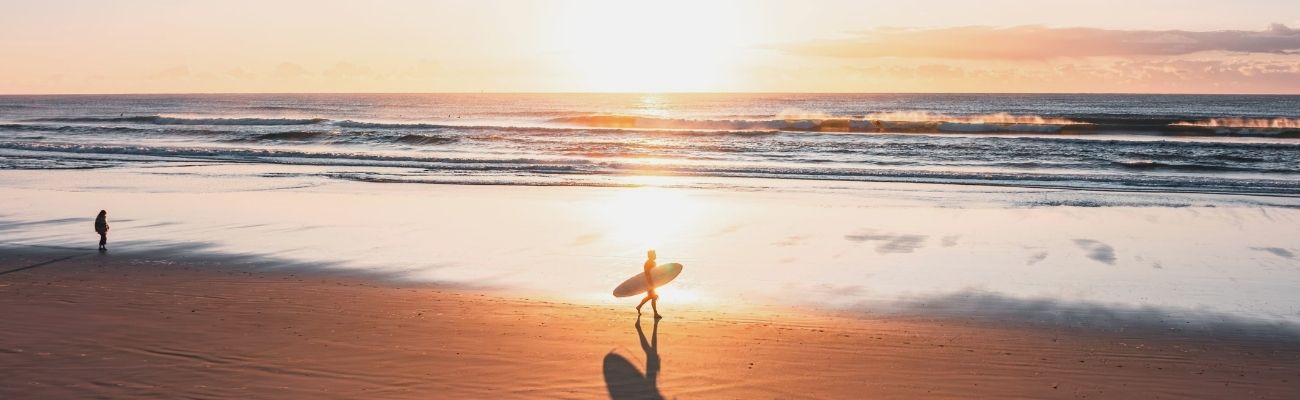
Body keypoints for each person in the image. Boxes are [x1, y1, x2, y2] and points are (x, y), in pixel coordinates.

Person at [635, 250, 662, 319]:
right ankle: (655, 314)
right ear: (650, 255)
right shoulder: (648, 263)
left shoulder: (653, 262)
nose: (655, 255)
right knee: (653, 297)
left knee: (651, 296)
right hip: (648, 283)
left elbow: (654, 273)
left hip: (651, 282)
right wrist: (651, 284)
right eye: (654, 254)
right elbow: (647, 274)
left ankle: (639, 306)